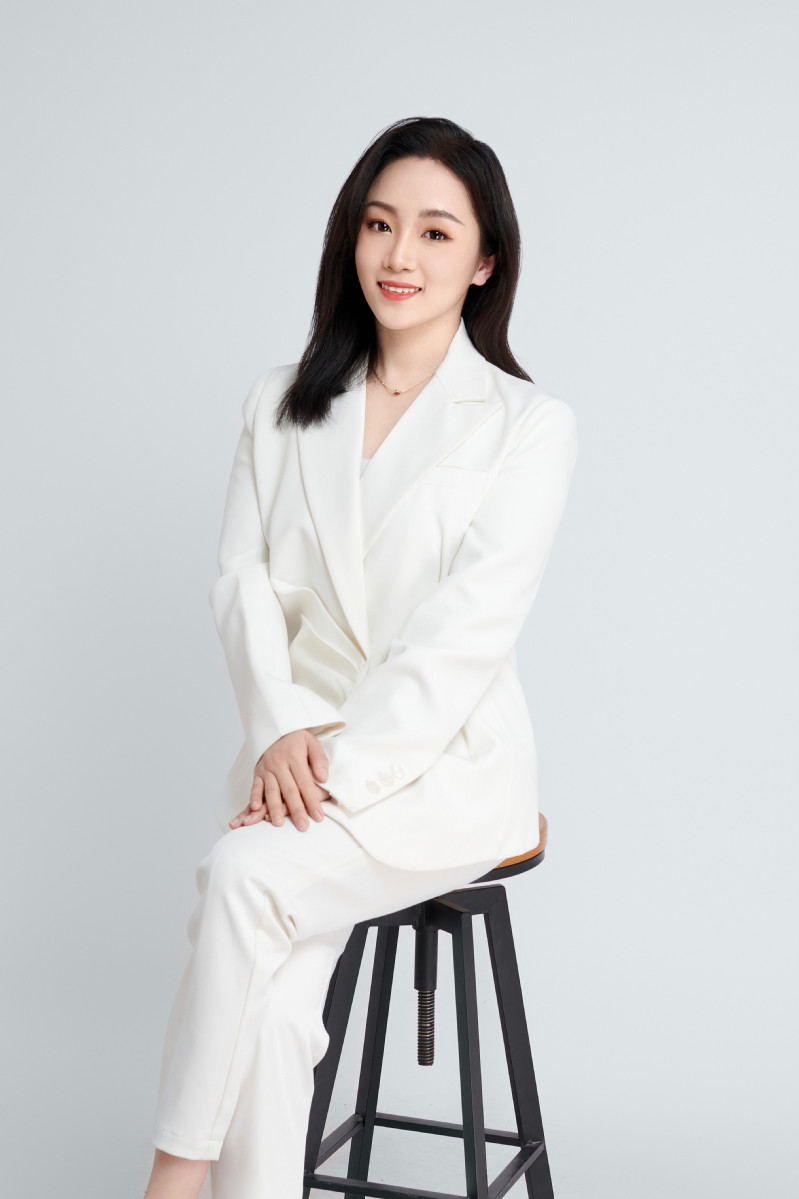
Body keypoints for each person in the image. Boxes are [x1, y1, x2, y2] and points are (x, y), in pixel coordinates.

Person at [143, 115, 578, 1199]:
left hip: (436, 765)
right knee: (273, 998)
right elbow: (241, 582)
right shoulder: (280, 400)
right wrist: (280, 733)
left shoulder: (526, 424)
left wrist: (325, 770)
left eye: (435, 233)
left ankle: (171, 1176)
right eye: (379, 225)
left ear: (485, 261)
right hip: (290, 750)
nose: (399, 255)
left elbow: (463, 637)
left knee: (243, 875)